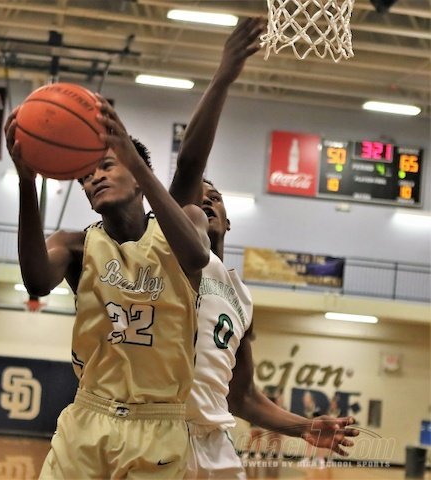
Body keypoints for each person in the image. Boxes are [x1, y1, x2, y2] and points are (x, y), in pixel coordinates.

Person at [168, 17, 359, 479]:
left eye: (216, 196)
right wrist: (223, 77)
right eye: (197, 195)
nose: (206, 200)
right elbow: (190, 162)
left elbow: (243, 397)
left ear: (229, 219)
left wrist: (304, 426)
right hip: (162, 436)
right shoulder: (170, 258)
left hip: (215, 445)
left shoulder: (241, 296)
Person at [4, 91, 210, 478]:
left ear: (137, 175)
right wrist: (27, 182)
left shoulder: (184, 226)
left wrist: (137, 163)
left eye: (106, 166)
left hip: (158, 422)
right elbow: (36, 281)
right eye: (85, 176)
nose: (93, 178)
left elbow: (198, 257)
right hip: (89, 416)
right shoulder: (76, 245)